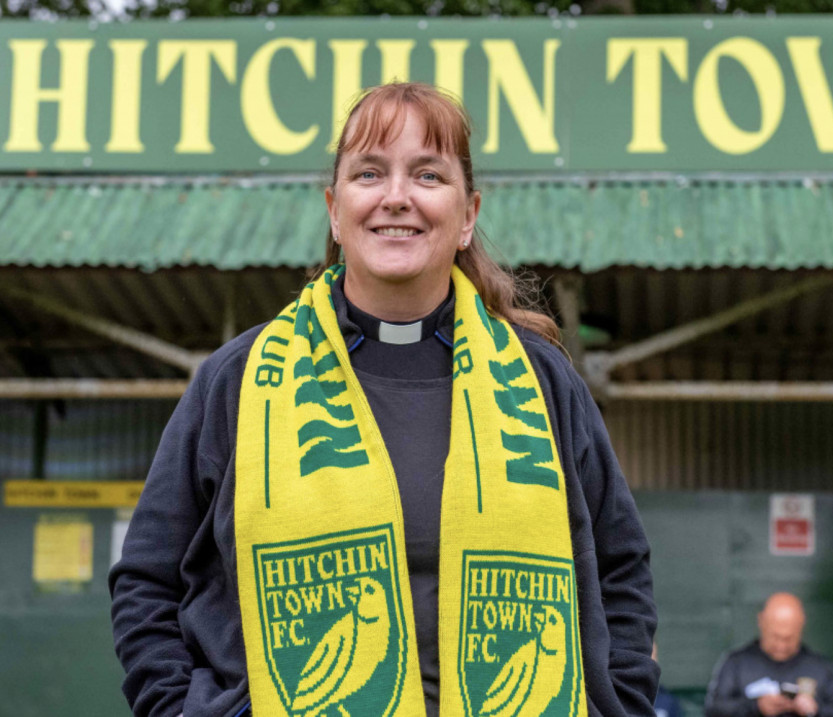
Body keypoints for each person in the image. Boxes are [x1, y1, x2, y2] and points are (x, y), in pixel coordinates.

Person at [109, 82, 659, 717]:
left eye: (428, 174)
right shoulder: (237, 381)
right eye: (369, 172)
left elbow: (622, 574)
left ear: (468, 214)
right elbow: (148, 584)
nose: (396, 197)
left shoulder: (541, 382)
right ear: (335, 211)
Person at [704, 593, 833, 717]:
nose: (781, 645)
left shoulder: (821, 668)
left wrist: (816, 709)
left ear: (801, 627)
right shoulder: (736, 664)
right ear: (761, 622)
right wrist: (756, 706)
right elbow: (713, 710)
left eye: (789, 638)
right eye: (775, 637)